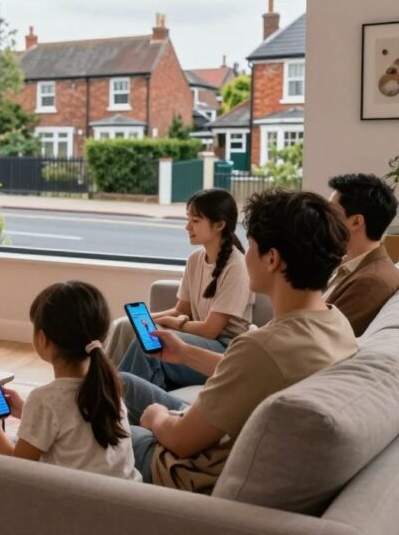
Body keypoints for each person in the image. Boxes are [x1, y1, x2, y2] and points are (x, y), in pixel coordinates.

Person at [125, 189, 356, 493]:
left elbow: (180, 440)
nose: (245, 253)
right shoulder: (334, 322)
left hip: (186, 467)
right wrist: (185, 354)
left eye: (252, 245)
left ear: (272, 259)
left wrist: (156, 418)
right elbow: (259, 371)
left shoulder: (263, 346)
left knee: (86, 427)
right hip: (219, 431)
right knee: (120, 383)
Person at [0, 281, 140, 482]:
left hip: (53, 499)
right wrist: (25, 413)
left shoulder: (45, 399)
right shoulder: (107, 386)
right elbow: (75, 432)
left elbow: (17, 469)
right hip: (117, 495)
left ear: (43, 339)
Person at [115, 189, 254, 390]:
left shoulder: (236, 267)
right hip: (200, 338)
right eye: (188, 219)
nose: (187, 226)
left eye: (195, 221)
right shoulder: (195, 259)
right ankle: (100, 388)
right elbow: (181, 310)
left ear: (219, 225)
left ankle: (113, 402)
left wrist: (169, 322)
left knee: (147, 343)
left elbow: (210, 330)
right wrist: (147, 318)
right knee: (125, 326)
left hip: (223, 348)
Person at [325, 174, 399, 336]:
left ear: (356, 222)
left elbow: (325, 339)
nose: (324, 219)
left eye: (332, 212)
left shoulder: (372, 282)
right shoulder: (348, 264)